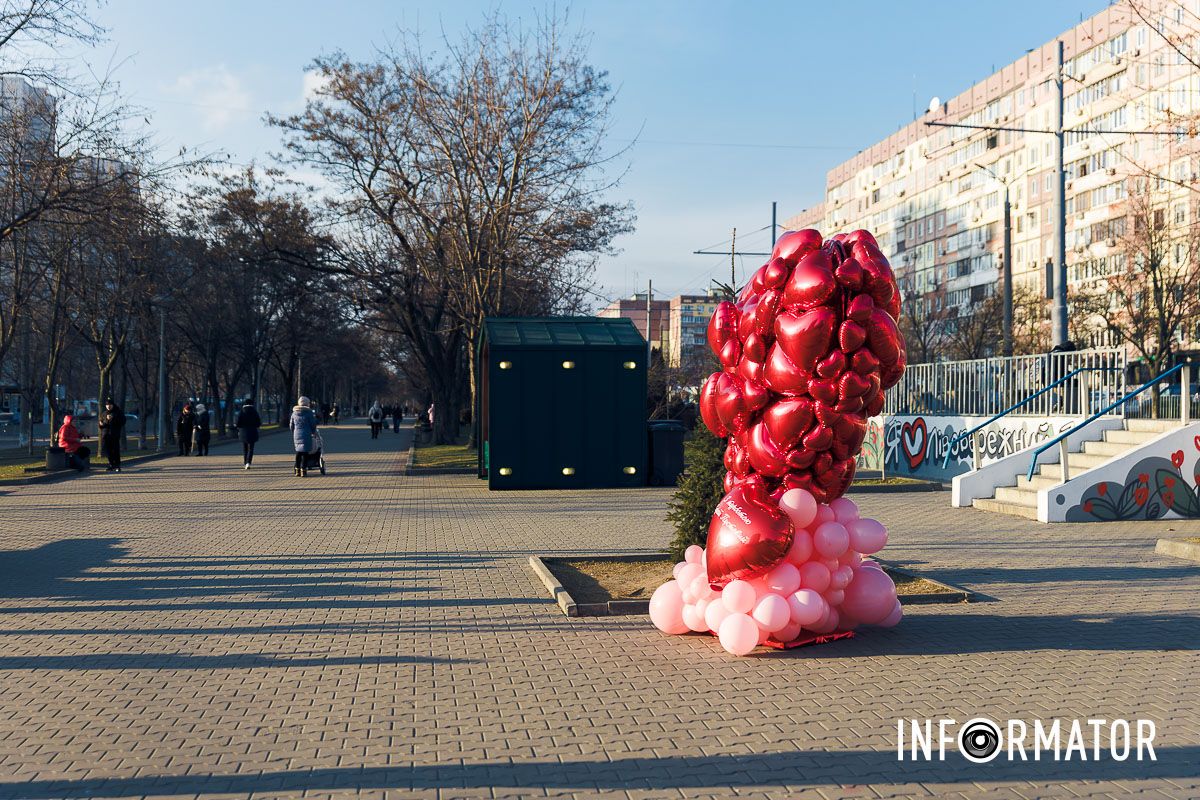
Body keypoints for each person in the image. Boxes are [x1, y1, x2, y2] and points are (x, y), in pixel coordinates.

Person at [290, 395, 318, 477]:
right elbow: (312, 424)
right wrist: (313, 432)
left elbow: (291, 425)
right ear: (307, 404)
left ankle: (297, 470)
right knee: (305, 453)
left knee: (298, 452)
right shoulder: (308, 413)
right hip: (306, 434)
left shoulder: (294, 413)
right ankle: (303, 470)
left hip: (296, 434)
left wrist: (294, 432)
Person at [97, 398, 126, 472]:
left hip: (114, 434)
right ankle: (111, 465)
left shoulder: (118, 412)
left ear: (113, 405)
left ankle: (117, 465)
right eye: (107, 405)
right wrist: (101, 424)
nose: (108, 406)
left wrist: (113, 419)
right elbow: (101, 425)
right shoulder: (104, 413)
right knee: (108, 451)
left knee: (115, 450)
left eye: (109, 405)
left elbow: (122, 422)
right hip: (106, 435)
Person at [236, 398, 262, 469]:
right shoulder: (254, 412)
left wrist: (240, 428)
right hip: (252, 432)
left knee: (245, 448)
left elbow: (238, 423)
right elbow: (258, 423)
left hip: (243, 432)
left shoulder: (241, 412)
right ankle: (248, 462)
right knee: (251, 448)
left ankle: (245, 462)